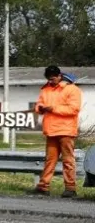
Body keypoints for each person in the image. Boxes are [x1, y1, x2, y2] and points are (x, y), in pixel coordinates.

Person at [32, 65, 82, 197]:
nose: (51, 81)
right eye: (49, 79)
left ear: (59, 76)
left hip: (66, 131)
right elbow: (39, 103)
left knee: (68, 161)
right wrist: (40, 108)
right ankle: (43, 187)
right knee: (50, 160)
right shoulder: (46, 89)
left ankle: (70, 188)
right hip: (51, 130)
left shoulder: (72, 89)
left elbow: (73, 109)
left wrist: (52, 108)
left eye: (53, 78)